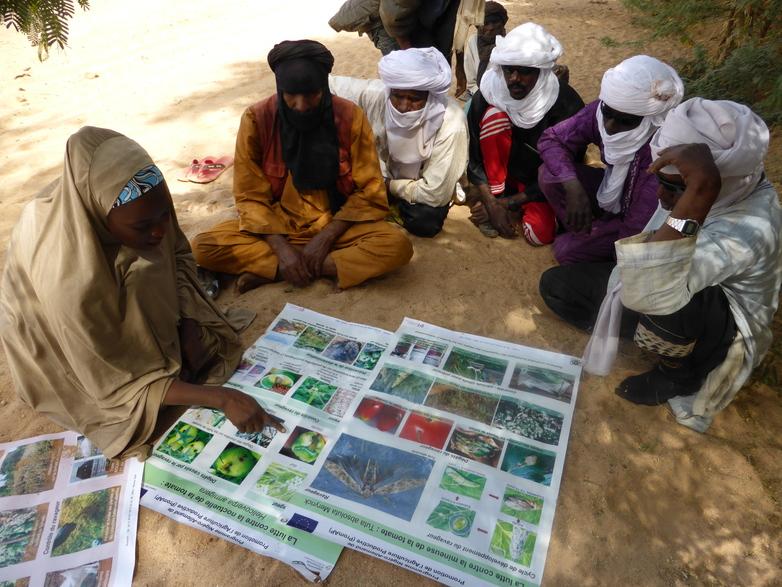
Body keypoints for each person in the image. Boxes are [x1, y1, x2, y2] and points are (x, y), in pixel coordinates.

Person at [0, 127, 284, 460]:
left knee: (150, 264)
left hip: (106, 293)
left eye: (165, 215)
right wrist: (222, 398)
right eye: (142, 227)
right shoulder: (67, 284)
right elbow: (114, 385)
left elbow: (177, 255)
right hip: (63, 347)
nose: (160, 231)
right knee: (128, 415)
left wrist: (189, 324)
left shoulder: (142, 206)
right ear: (100, 216)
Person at [540, 98, 782, 432]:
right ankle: (651, 334)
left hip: (716, 324)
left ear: (713, 185)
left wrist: (697, 195)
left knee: (668, 276)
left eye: (676, 188)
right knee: (558, 287)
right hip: (664, 284)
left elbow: (657, 280)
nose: (662, 198)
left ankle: (677, 374)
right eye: (661, 182)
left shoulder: (747, 227)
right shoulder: (716, 190)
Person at [191, 40, 413, 292]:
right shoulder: (257, 119)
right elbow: (249, 196)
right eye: (291, 96)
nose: (301, 105)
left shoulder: (350, 117)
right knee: (203, 247)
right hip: (277, 227)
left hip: (335, 225)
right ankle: (301, 266)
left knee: (397, 245)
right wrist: (282, 249)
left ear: (324, 88)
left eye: (311, 94)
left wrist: (325, 238)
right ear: (279, 88)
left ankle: (273, 270)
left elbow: (370, 191)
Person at [537, 55, 684, 264]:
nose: (611, 126)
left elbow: (636, 229)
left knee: (565, 251)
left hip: (638, 218)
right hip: (611, 191)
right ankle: (584, 227)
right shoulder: (601, 112)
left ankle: (592, 235)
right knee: (549, 174)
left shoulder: (661, 149)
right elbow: (552, 139)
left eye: (626, 120)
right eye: (608, 113)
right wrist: (573, 188)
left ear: (649, 118)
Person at [330, 47, 468, 237]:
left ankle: (383, 201)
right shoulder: (379, 95)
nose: (403, 106)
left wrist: (386, 185)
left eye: (414, 99)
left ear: (430, 96)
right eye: (398, 96)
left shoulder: (451, 123)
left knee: (425, 221)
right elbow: (330, 84)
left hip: (413, 182)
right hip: (381, 174)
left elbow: (434, 192)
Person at [466, 22, 584, 241]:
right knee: (494, 117)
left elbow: (563, 171)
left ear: (542, 71)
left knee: (538, 235)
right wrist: (493, 203)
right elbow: (474, 156)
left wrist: (508, 204)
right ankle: (494, 194)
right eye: (509, 70)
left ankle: (511, 204)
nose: (514, 79)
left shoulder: (566, 106)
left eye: (525, 72)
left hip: (537, 182)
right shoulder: (489, 92)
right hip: (498, 177)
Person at [462, 1, 508, 99]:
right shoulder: (473, 42)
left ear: (502, 23)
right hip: (479, 95)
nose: (491, 27)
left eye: (495, 22)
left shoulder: (509, 42)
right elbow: (472, 83)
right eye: (486, 23)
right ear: (479, 26)